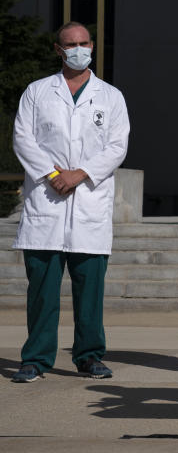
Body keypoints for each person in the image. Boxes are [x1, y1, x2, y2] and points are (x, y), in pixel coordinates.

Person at [10, 21, 130, 383]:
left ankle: (90, 356)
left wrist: (80, 174)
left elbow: (117, 146)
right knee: (43, 294)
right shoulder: (37, 92)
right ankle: (36, 358)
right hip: (47, 205)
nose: (79, 49)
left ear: (92, 45)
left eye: (84, 42)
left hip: (89, 204)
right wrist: (52, 174)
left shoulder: (111, 96)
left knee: (89, 294)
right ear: (58, 50)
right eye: (71, 44)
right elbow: (23, 139)